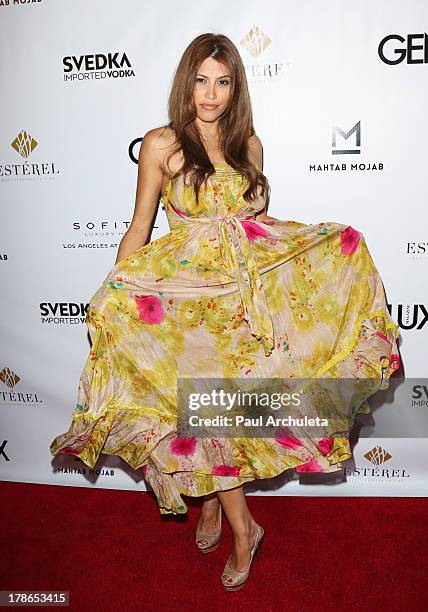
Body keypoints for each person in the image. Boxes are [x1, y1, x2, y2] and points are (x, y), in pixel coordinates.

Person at [50, 33, 401, 591]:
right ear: (185, 81)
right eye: (201, 80)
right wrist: (112, 291)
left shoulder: (249, 147)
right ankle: (244, 526)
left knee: (219, 418)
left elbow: (259, 235)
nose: (210, 94)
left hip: (240, 310)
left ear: (235, 87)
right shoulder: (161, 145)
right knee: (196, 415)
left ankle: (224, 516)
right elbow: (140, 227)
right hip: (187, 307)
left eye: (223, 81)